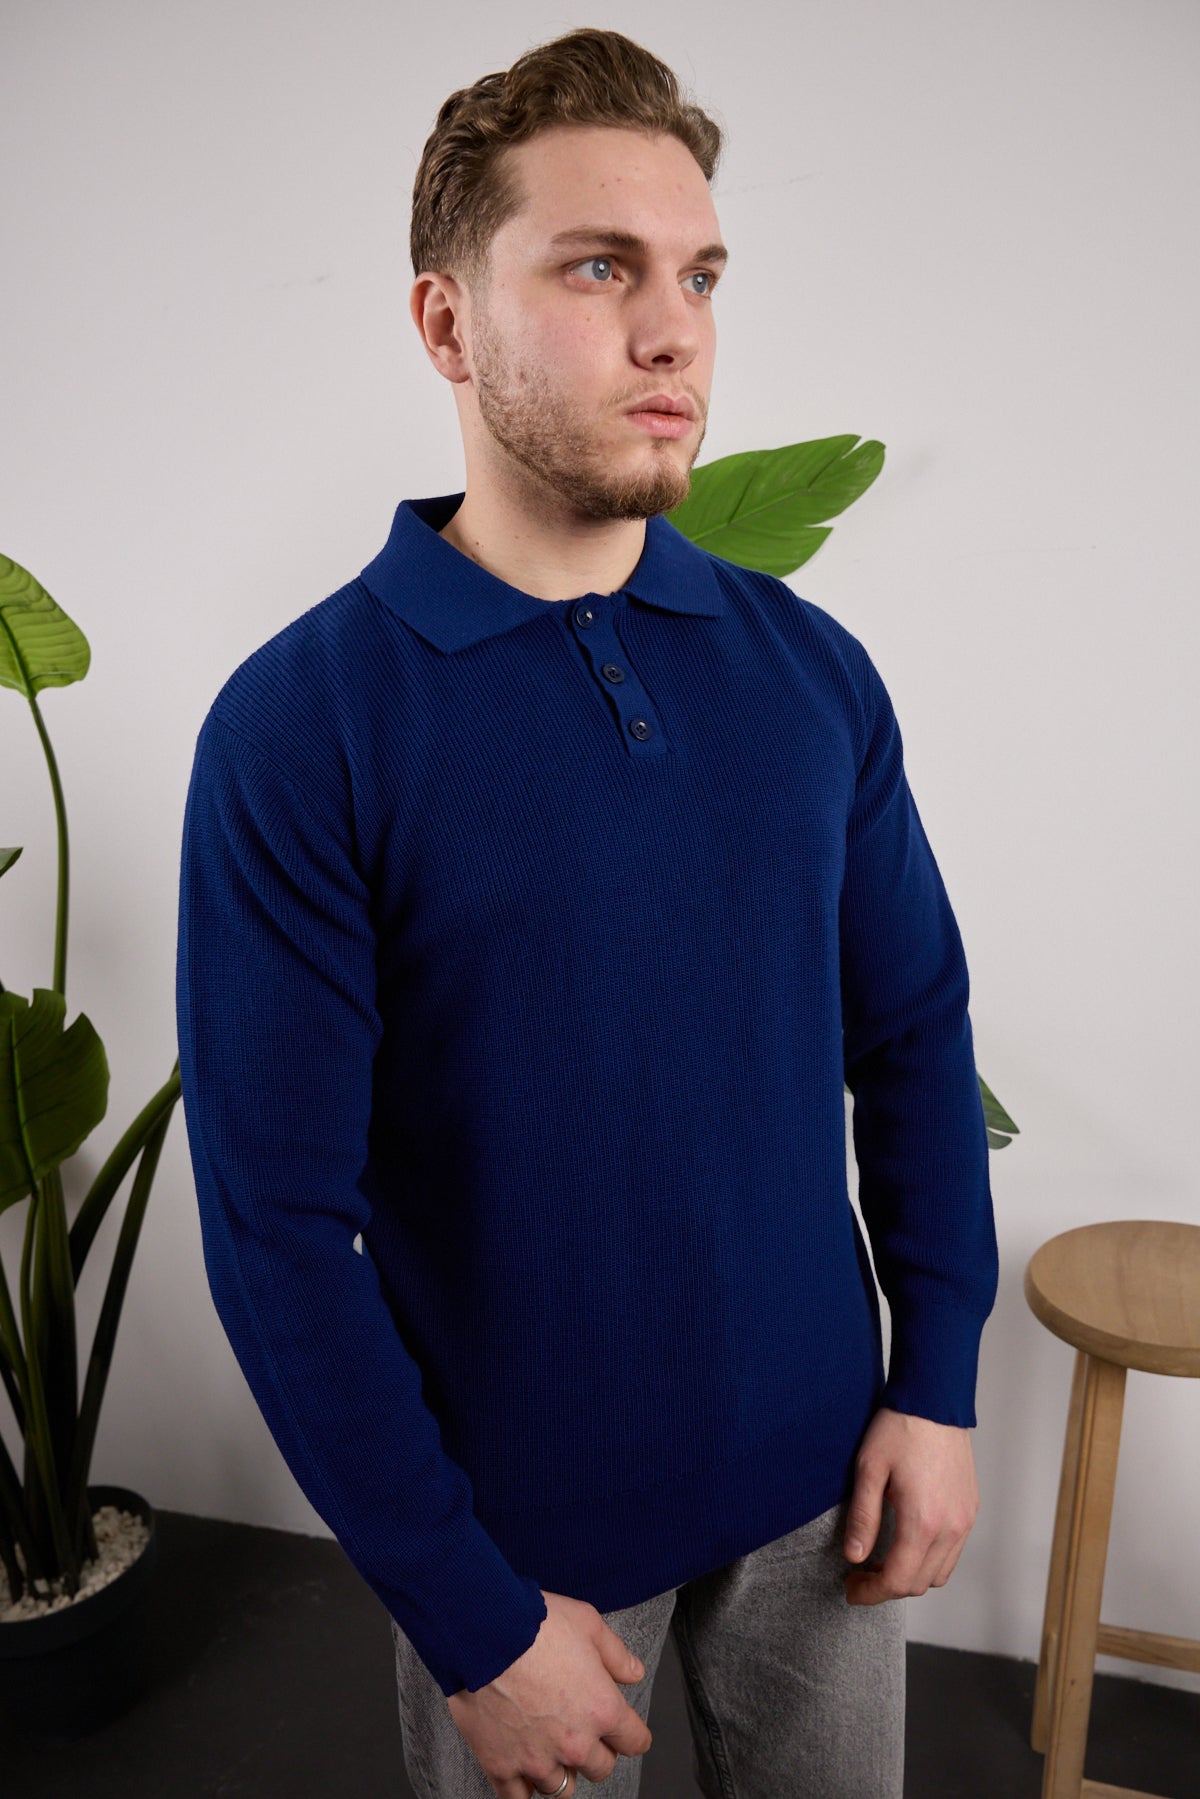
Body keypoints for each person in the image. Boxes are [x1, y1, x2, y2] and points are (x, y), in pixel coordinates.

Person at [175, 26, 999, 1799]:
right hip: (522, 1550)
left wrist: (935, 1379)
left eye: (699, 273)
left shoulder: (809, 675)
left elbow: (914, 1032)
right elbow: (276, 1228)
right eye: (599, 267)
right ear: (446, 323)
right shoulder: (304, 728)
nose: (674, 328)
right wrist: (468, 1617)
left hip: (830, 1482)